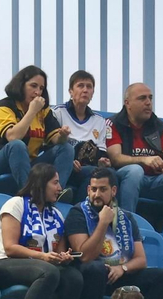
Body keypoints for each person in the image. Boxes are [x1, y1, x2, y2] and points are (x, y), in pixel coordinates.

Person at [0, 163, 103, 299]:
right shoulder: (15, 204)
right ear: (41, 183)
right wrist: (43, 257)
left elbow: (59, 252)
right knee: (49, 272)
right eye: (55, 183)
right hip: (5, 262)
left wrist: (63, 258)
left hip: (42, 264)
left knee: (74, 277)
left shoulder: (56, 214)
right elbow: (10, 248)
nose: (60, 188)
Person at [64, 168, 163, 299]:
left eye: (103, 189)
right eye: (94, 189)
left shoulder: (126, 217)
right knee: (95, 268)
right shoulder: (77, 213)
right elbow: (85, 256)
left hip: (117, 273)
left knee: (161, 277)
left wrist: (123, 268)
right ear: (88, 190)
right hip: (92, 275)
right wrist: (103, 223)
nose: (97, 194)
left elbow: (141, 260)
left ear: (113, 191)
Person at [108, 84, 163, 225]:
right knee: (135, 170)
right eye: (142, 98)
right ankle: (125, 224)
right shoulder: (113, 123)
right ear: (127, 103)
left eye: (150, 98)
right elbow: (115, 158)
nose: (148, 102)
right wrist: (144, 160)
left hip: (155, 180)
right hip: (125, 178)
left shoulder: (160, 127)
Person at [0, 65, 73, 191]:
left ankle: (56, 191)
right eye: (33, 86)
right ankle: (30, 194)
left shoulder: (43, 111)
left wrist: (63, 135)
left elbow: (56, 140)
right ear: (21, 85)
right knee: (17, 145)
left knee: (66, 148)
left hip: (27, 164)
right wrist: (32, 111)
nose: (38, 92)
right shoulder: (5, 106)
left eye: (41, 88)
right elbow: (13, 137)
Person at [51, 70, 113, 202]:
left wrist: (102, 162)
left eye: (89, 87)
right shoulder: (58, 112)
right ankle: (57, 195)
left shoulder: (99, 120)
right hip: (60, 167)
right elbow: (51, 146)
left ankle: (82, 208)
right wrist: (70, 161)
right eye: (80, 86)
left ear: (93, 93)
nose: (85, 90)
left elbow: (101, 152)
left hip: (86, 169)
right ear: (71, 91)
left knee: (107, 174)